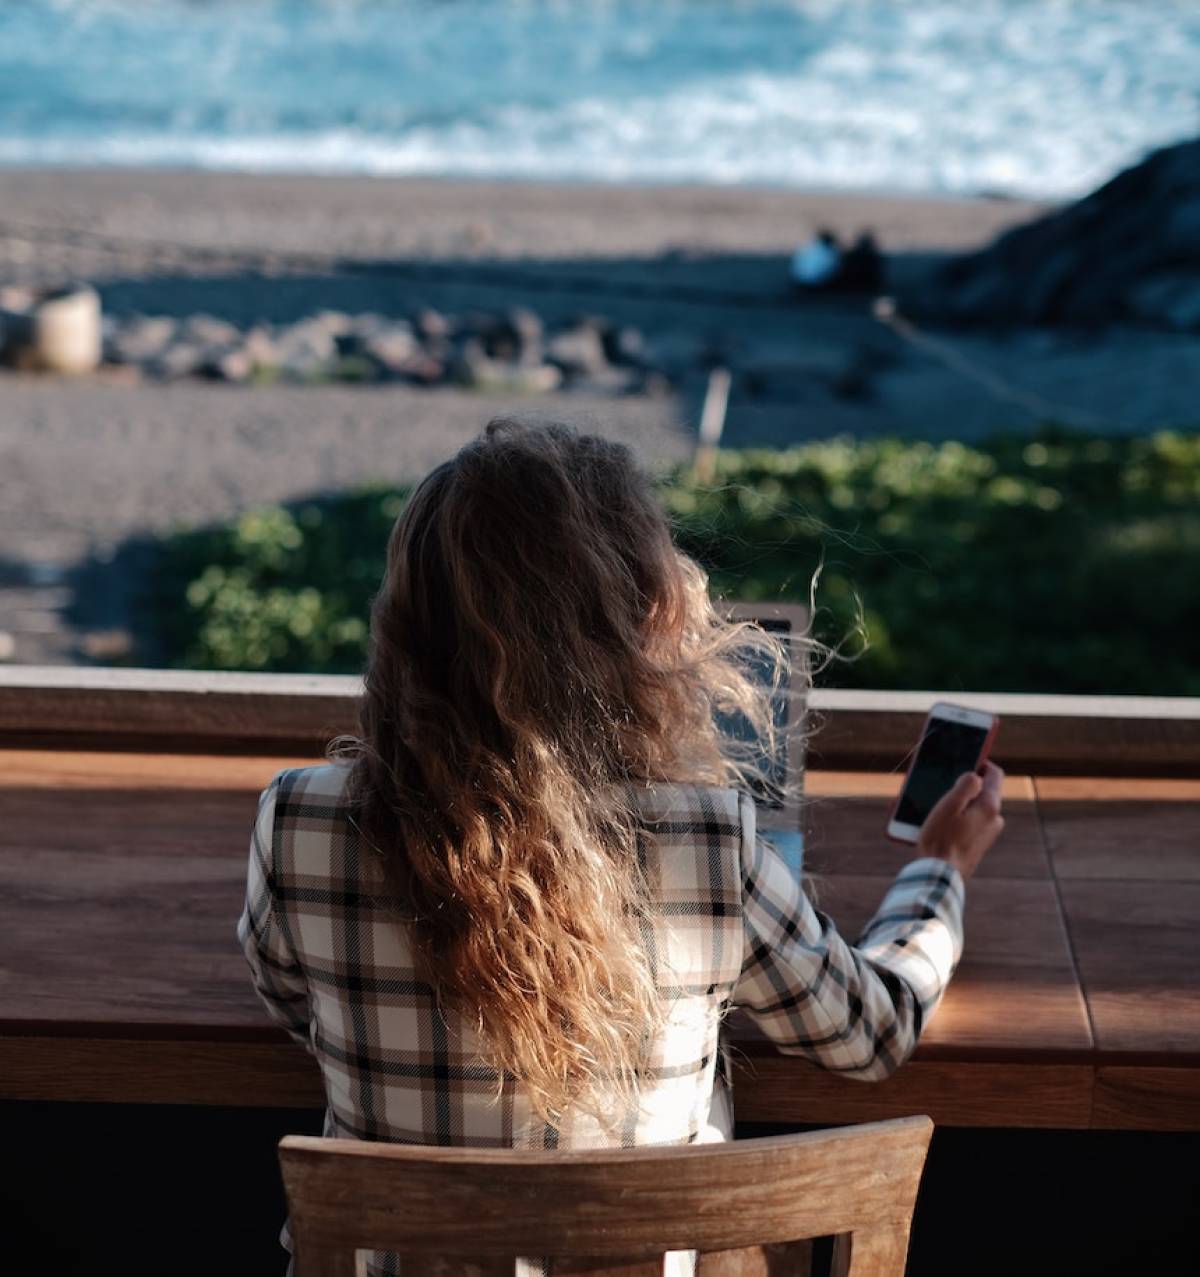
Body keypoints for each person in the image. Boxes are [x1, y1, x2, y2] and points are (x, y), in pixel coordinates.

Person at [239, 419, 1005, 1276]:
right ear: (643, 619)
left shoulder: (300, 821)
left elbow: (288, 1001)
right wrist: (940, 871)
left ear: (407, 623)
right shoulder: (706, 839)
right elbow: (872, 1029)